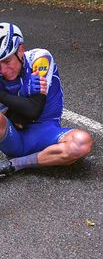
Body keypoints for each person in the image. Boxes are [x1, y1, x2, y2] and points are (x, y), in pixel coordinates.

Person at [0, 22, 93, 176]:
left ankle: (15, 164)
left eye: (7, 61)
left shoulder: (39, 58)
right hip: (13, 137)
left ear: (20, 50)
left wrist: (3, 95)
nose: (3, 70)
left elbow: (33, 110)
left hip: (47, 134)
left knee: (81, 142)